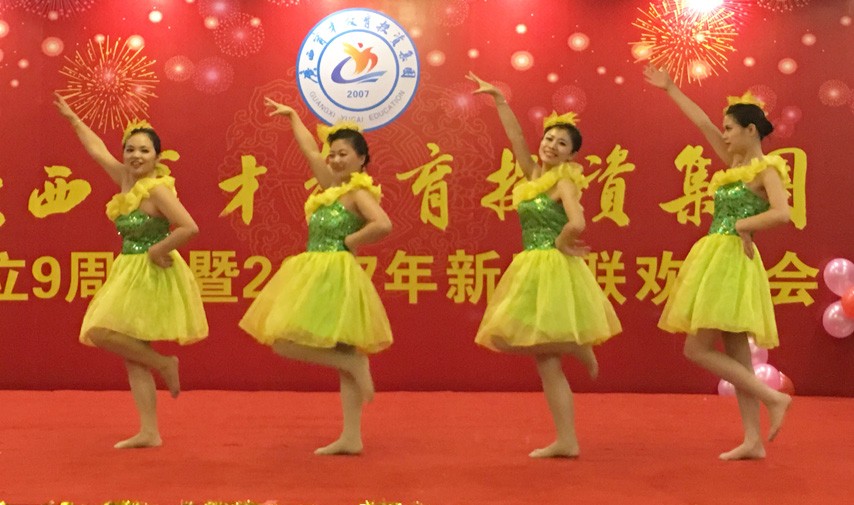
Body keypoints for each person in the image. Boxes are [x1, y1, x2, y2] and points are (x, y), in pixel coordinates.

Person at [467, 72, 622, 458]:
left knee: (526, 345)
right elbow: (516, 139)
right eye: (549, 138)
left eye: (561, 143)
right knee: (538, 356)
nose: (551, 145)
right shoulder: (534, 175)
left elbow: (578, 222)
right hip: (530, 267)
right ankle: (567, 438)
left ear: (572, 155)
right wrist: (499, 100)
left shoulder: (564, 183)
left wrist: (561, 243)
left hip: (552, 267)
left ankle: (577, 348)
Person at [644, 65, 793, 460]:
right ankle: (753, 440)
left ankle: (773, 398)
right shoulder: (733, 164)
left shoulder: (767, 169)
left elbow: (782, 213)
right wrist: (671, 89)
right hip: (719, 256)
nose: (723, 134)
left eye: (730, 128)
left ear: (751, 130)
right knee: (737, 353)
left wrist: (743, 225)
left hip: (732, 259)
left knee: (696, 349)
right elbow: (702, 123)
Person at [53, 93, 208, 449]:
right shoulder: (126, 179)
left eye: (144, 150)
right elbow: (97, 152)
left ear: (157, 157)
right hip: (128, 270)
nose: (136, 156)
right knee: (132, 355)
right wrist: (74, 120)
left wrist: (157, 249)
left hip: (151, 271)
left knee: (101, 332)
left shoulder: (157, 190)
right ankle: (149, 431)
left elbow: (189, 227)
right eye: (130, 149)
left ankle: (164, 364)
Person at [239, 98, 393, 455]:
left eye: (343, 154)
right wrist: (294, 117)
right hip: (314, 270)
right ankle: (351, 376)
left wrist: (351, 241)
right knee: (285, 342)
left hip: (336, 272)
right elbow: (310, 150)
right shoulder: (330, 188)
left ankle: (351, 434)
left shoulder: (357, 193)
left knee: (339, 346)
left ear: (361, 159)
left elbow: (383, 224)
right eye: (332, 154)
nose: (334, 160)